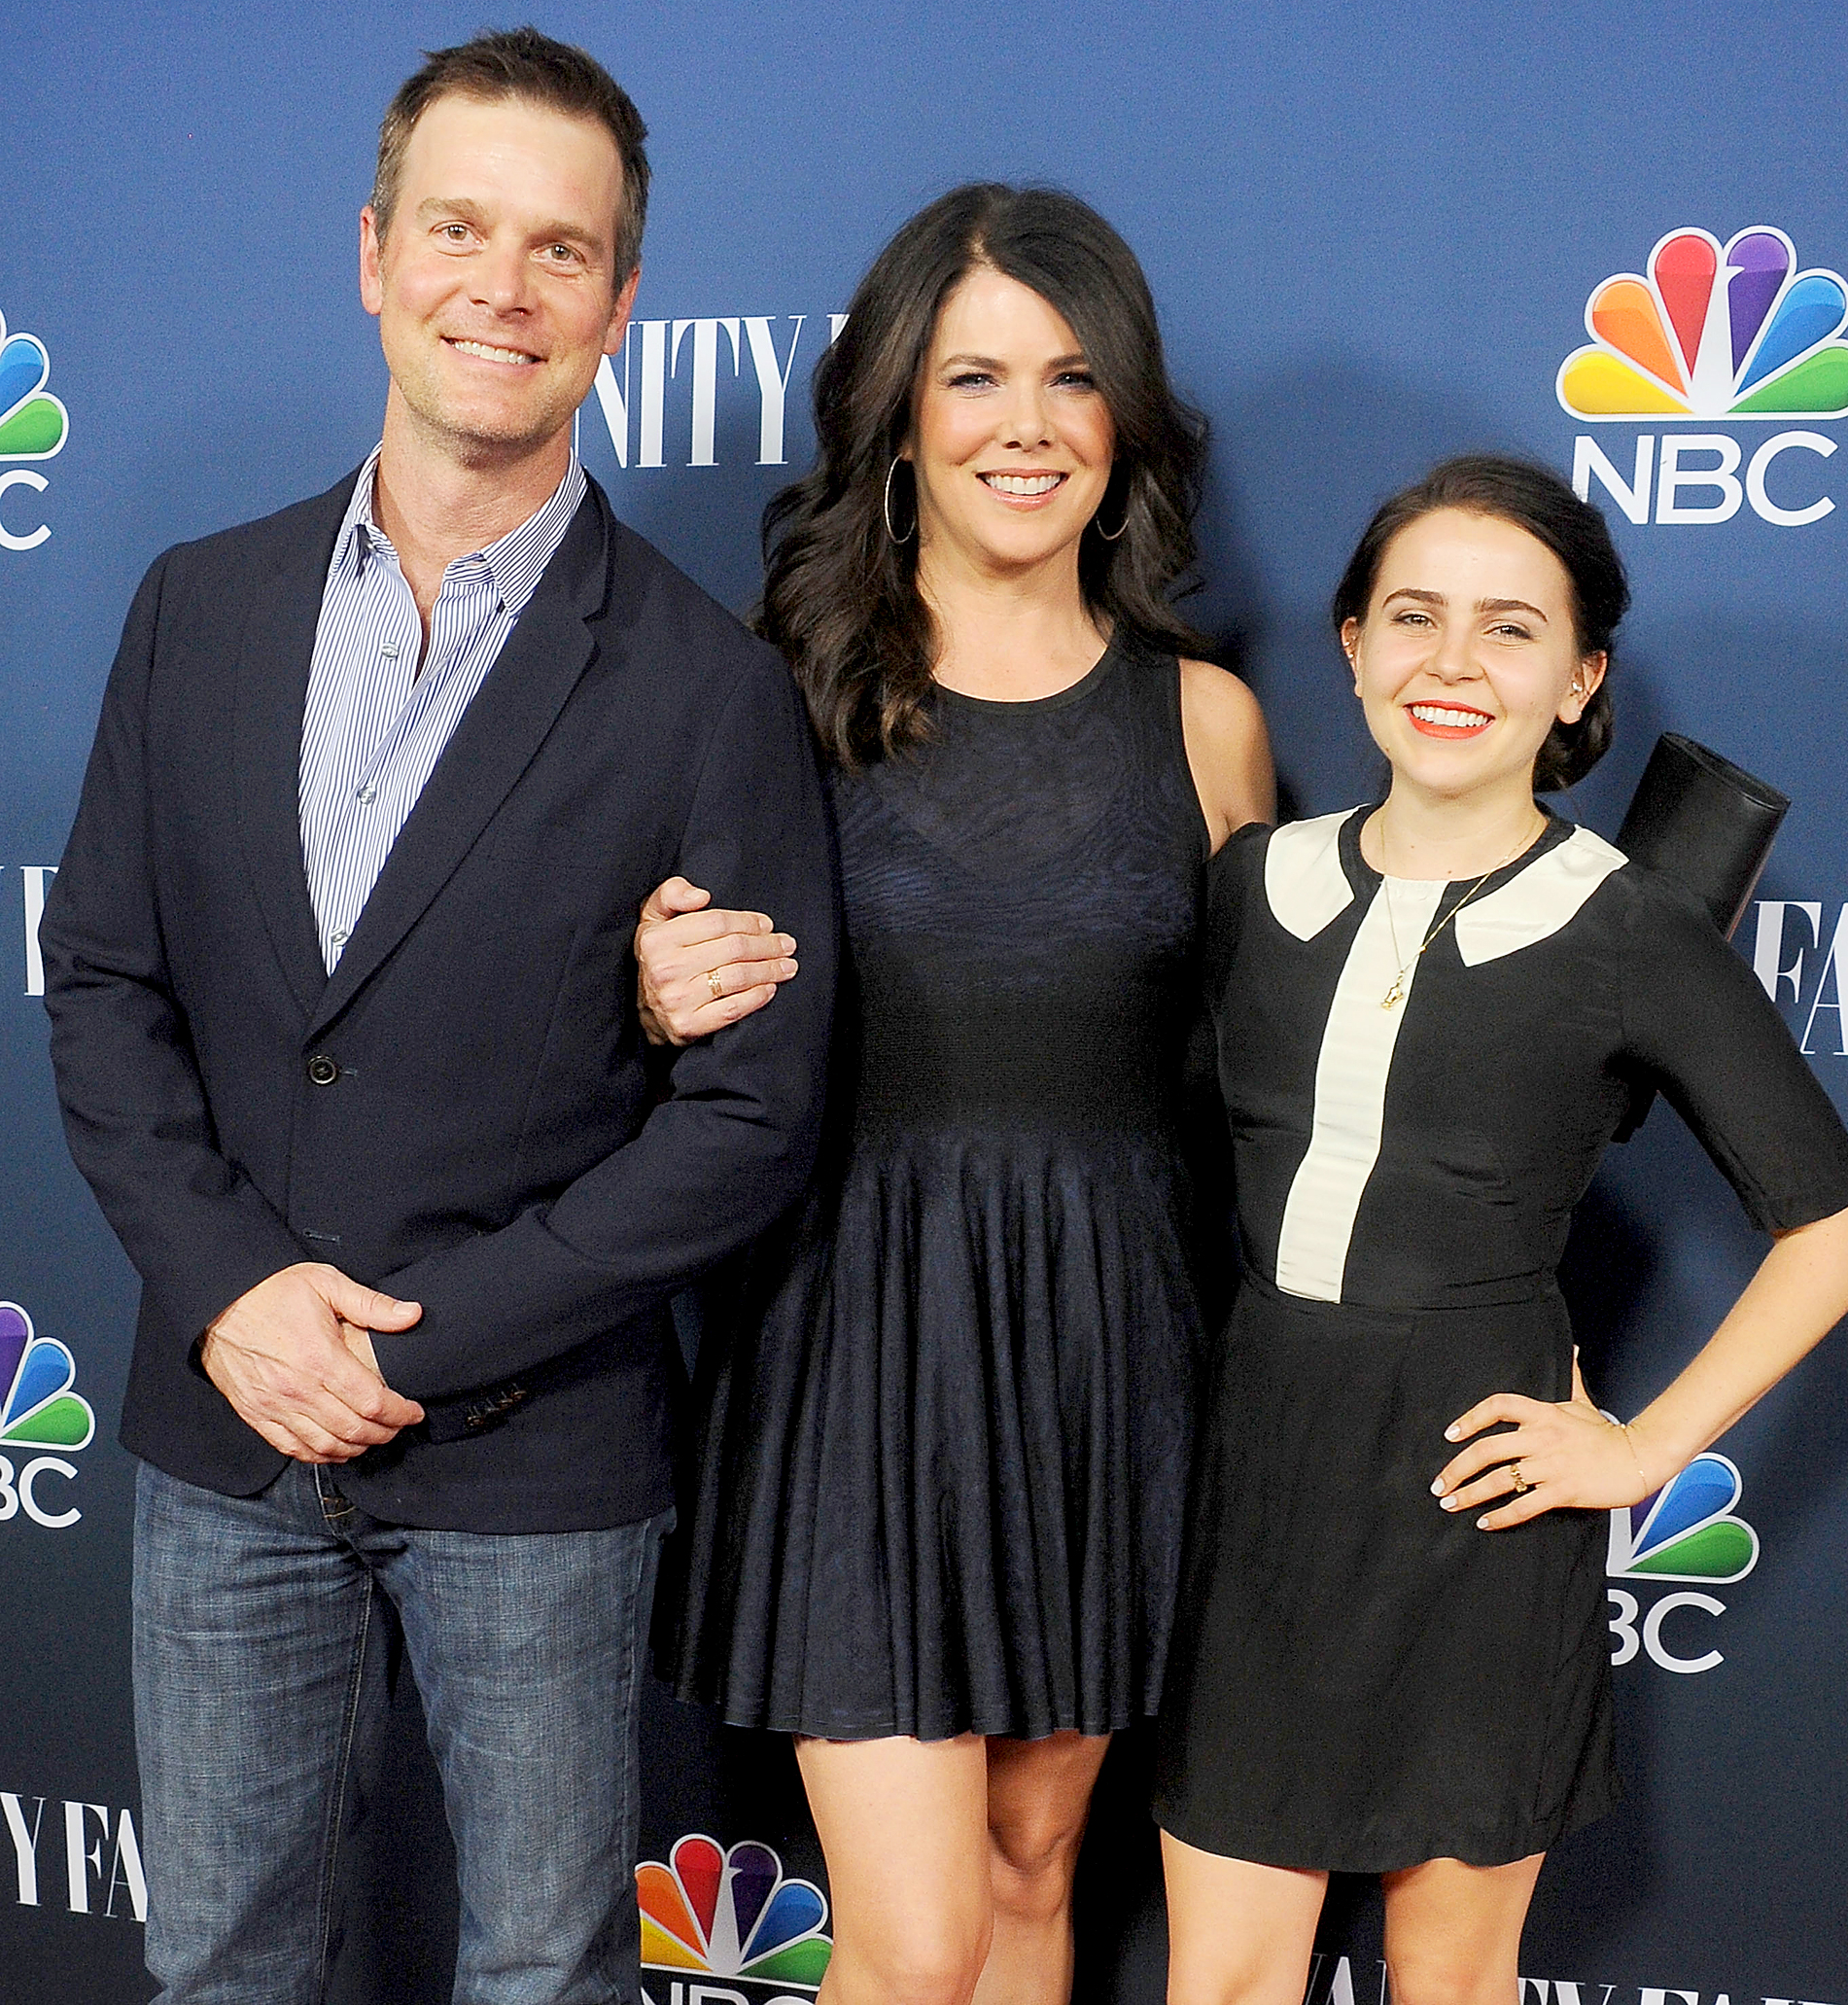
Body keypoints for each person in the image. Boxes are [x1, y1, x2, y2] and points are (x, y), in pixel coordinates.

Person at [39, 29, 835, 2005]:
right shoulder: (195, 607)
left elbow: (748, 1117)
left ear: (621, 304)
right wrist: (240, 1296)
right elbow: (107, 982)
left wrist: (414, 1340)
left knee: (546, 1969)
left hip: (532, 1451)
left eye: (562, 250)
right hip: (225, 1424)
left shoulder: (707, 686)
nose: (505, 287)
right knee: (219, 1961)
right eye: (460, 230)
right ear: (374, 254)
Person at [632, 184, 1274, 2005]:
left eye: (1072, 377)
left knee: (1030, 1865)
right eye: (975, 376)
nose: (1026, 424)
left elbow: (1285, 1072)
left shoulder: (1206, 721)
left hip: (1113, 1352)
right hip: (853, 1341)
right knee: (912, 1944)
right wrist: (651, 991)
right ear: (900, 415)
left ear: (1123, 417)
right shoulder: (771, 696)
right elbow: (631, 1006)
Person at [1151, 455, 1848, 2005]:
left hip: (1477, 1512)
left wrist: (1644, 1446)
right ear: (1352, 644)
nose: (1454, 663)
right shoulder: (1251, 887)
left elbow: (1837, 1229)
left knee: (1451, 1978)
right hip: (1262, 1490)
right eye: (1413, 615)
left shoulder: (1631, 926)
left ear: (1580, 678)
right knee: (1222, 1983)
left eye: (1510, 628)